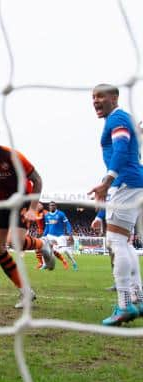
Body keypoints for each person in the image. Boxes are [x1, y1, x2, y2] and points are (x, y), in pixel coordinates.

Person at [0, 121, 55, 309]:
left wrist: (32, 208)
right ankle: (25, 291)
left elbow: (37, 180)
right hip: (0, 202)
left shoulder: (13, 157)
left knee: (14, 241)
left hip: (22, 198)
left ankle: (42, 244)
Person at [89, 83, 143, 325]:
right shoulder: (121, 118)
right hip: (132, 183)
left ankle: (124, 305)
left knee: (116, 241)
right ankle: (138, 298)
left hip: (126, 183)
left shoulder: (117, 119)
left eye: (100, 96)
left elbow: (121, 148)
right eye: (93, 97)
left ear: (114, 97)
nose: (96, 101)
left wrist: (108, 180)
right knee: (125, 242)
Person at [43, 201, 78, 270]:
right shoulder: (47, 215)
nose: (52, 206)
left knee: (65, 251)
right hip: (50, 235)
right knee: (44, 248)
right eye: (51, 205)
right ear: (49, 207)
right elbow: (47, 227)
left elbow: (67, 224)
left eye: (53, 205)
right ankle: (45, 264)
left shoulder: (61, 214)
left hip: (60, 235)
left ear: (56, 206)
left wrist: (70, 233)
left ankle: (74, 263)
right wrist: (43, 235)